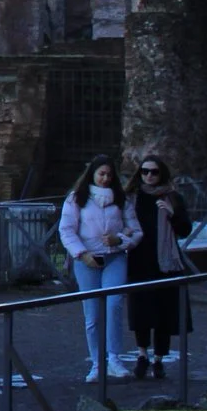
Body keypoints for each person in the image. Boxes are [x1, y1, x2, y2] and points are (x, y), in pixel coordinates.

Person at [59, 155, 139, 385]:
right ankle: (97, 361)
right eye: (101, 174)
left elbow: (135, 229)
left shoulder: (120, 199)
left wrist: (120, 240)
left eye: (109, 175)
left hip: (114, 258)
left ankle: (114, 357)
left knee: (114, 304)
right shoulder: (76, 199)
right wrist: (82, 254)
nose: (105, 179)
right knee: (93, 313)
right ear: (92, 174)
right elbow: (67, 230)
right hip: (87, 260)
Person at [125, 157, 191, 379]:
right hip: (139, 261)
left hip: (166, 264)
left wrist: (172, 214)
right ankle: (142, 355)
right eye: (145, 172)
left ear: (161, 174)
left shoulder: (172, 197)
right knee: (141, 313)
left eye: (154, 172)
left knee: (164, 314)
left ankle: (159, 359)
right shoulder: (132, 198)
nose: (149, 176)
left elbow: (185, 230)